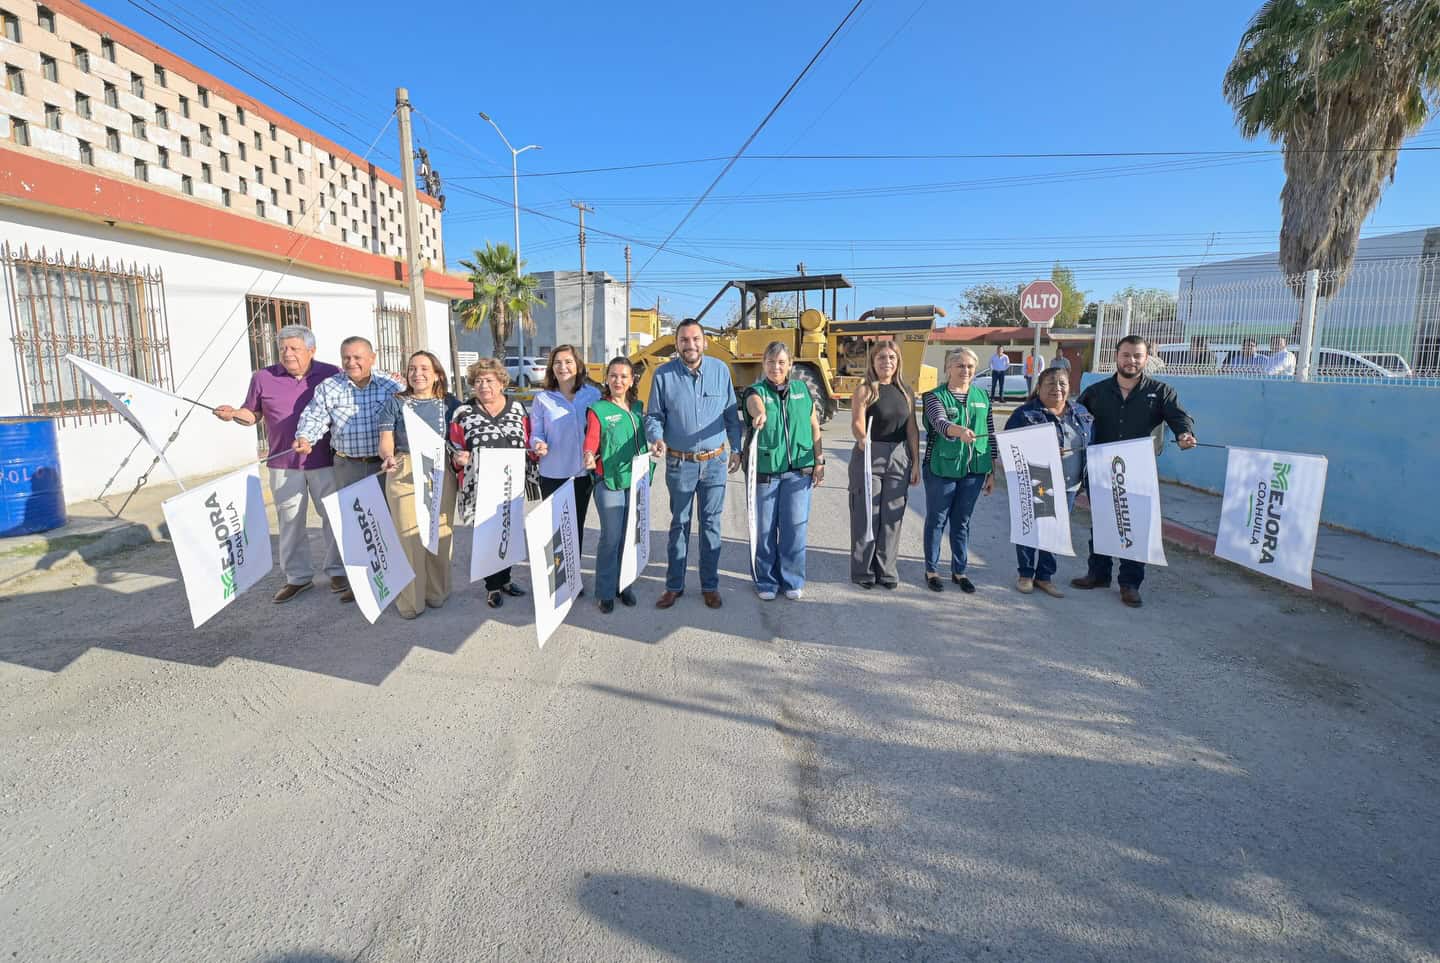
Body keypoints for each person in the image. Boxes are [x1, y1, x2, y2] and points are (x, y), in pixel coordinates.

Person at [213, 325, 343, 603]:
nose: (287, 353)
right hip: (283, 463)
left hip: (325, 460)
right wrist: (234, 413)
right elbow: (252, 414)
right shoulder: (263, 377)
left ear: (311, 350)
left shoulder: (332, 373)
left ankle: (338, 571)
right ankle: (298, 577)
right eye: (283, 348)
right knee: (290, 522)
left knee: (333, 517)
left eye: (294, 348)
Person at [1074, 335, 1198, 607]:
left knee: (1135, 525)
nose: (1131, 360)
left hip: (1139, 471)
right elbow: (1075, 419)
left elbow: (1179, 417)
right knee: (1103, 522)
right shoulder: (1096, 391)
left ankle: (1129, 584)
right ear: (1116, 357)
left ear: (1146, 358)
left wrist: (1184, 434)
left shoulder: (1161, 391)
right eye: (1126, 355)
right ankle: (1098, 574)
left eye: (1137, 356)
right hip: (1101, 469)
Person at [293, 335, 403, 603]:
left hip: (385, 466)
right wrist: (305, 438)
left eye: (357, 357)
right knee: (356, 526)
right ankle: (362, 584)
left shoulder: (391, 385)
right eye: (346, 358)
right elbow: (314, 417)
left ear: (372, 358)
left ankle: (393, 579)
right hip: (348, 466)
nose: (351, 362)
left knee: (389, 523)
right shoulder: (330, 387)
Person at [643, 318, 743, 610]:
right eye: (684, 340)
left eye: (695, 339)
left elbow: (731, 415)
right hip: (680, 463)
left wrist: (736, 448)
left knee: (711, 524)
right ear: (676, 343)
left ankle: (710, 586)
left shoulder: (720, 371)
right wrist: (656, 437)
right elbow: (654, 416)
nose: (690, 345)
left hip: (714, 463)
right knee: (680, 524)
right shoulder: (663, 375)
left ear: (705, 342)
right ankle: (674, 586)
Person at [377, 351, 460, 620]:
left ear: (437, 374)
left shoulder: (450, 404)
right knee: (408, 535)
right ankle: (411, 600)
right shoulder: (395, 402)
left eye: (424, 368)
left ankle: (437, 592)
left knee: (439, 530)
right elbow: (386, 439)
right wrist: (387, 456)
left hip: (439, 468)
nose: (417, 374)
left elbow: (463, 436)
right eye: (412, 368)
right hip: (404, 467)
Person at [743, 342, 825, 601]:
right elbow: (754, 404)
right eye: (770, 362)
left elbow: (814, 427)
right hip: (766, 474)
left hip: (799, 472)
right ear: (763, 364)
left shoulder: (802, 390)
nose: (775, 367)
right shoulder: (756, 391)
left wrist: (819, 459)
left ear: (790, 364)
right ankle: (766, 580)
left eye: (781, 362)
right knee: (764, 530)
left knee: (794, 530)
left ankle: (792, 579)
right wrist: (760, 413)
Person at [1004, 367, 1093, 597]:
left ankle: (1045, 576)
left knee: (1054, 530)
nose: (1057, 388)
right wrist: (1043, 449)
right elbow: (1009, 446)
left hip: (1069, 484)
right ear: (1039, 388)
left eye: (1062, 383)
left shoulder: (1080, 412)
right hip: (1039, 480)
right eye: (1051, 383)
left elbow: (1090, 441)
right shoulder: (1024, 414)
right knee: (1032, 527)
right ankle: (1025, 574)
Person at [449, 357, 530, 609]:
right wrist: (458, 458)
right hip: (479, 485)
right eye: (478, 381)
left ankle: (506, 579)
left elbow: (528, 439)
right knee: (487, 535)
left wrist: (537, 449)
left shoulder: (518, 409)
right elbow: (454, 445)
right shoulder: (463, 413)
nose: (483, 385)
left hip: (510, 484)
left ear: (502, 383)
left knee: (509, 530)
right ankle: (492, 586)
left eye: (489, 380)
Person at [920, 348, 996, 593]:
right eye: (960, 365)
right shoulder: (934, 396)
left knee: (962, 521)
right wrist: (959, 431)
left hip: (975, 469)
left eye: (970, 366)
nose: (966, 370)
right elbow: (940, 422)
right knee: (937, 520)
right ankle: (932, 570)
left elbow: (990, 433)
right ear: (948, 368)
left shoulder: (982, 396)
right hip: (942, 467)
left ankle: (959, 571)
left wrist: (992, 470)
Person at [849, 340, 920, 589]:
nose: (886, 362)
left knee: (892, 517)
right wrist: (862, 439)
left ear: (898, 361)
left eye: (891, 357)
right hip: (869, 453)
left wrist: (915, 463)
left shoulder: (906, 392)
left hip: (899, 456)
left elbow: (912, 429)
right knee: (867, 515)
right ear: (873, 361)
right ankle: (863, 571)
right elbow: (857, 422)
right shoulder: (866, 390)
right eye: (881, 357)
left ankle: (886, 571)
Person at [583, 357, 647, 614]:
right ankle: (605, 591)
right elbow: (591, 439)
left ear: (631, 380)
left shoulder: (638, 408)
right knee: (611, 537)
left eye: (623, 376)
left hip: (636, 481)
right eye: (613, 376)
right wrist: (589, 454)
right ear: (607, 379)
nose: (618, 381)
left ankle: (624, 584)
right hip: (609, 481)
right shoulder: (599, 409)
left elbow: (646, 437)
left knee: (629, 537)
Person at [529, 344, 601, 563]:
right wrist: (538, 444)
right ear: (551, 368)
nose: (563, 367)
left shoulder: (593, 395)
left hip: (581, 474)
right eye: (557, 363)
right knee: (555, 529)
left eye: (568, 362)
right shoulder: (542, 398)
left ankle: (573, 574)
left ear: (578, 365)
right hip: (552, 474)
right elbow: (536, 433)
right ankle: (555, 575)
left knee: (575, 527)